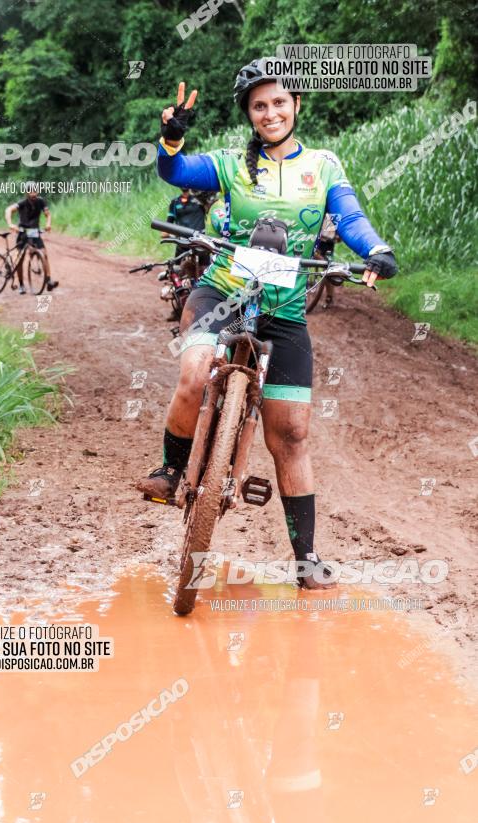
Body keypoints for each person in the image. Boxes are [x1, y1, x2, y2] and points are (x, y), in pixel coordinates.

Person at [136, 61, 398, 588]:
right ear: (250, 115)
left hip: (285, 310)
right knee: (195, 373)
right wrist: (170, 138)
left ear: (296, 104)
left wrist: (375, 249)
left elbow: (348, 217)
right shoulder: (233, 164)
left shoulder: (323, 166)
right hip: (224, 291)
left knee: (293, 434)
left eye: (280, 102)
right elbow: (176, 172)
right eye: (260, 106)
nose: (271, 112)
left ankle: (306, 560)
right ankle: (170, 470)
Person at [4, 184, 59, 294]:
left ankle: (48, 281)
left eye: (35, 192)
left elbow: (48, 215)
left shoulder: (40, 202)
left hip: (35, 232)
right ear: (27, 193)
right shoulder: (22, 203)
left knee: (44, 254)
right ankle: (21, 285)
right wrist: (10, 224)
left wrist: (48, 224)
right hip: (23, 233)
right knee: (20, 258)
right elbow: (9, 210)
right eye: (31, 192)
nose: (33, 194)